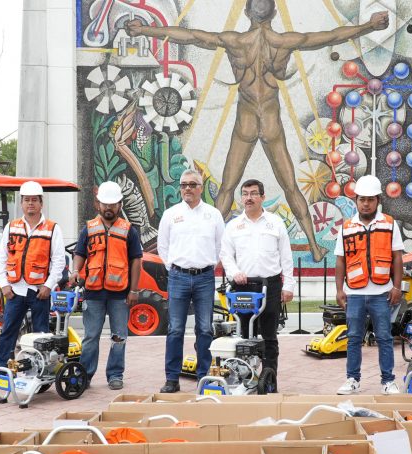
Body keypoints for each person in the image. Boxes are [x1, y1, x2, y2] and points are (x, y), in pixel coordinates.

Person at [127, 1, 388, 262]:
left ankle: (211, 248)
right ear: (275, 13)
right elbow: (329, 37)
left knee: (228, 187)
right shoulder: (284, 41)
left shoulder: (235, 41)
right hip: (271, 120)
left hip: (247, 119)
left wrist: (144, 31)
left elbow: (192, 36)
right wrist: (369, 26)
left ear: (246, 12)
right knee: (290, 186)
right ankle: (315, 247)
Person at [0, 180, 66, 385]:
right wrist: (4, 284)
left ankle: (40, 375)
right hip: (14, 291)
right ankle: (2, 371)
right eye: (27, 200)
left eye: (34, 200)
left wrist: (49, 285)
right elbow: (1, 258)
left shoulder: (52, 229)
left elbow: (58, 261)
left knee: (41, 335)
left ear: (41, 203)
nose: (30, 204)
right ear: (22, 203)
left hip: (39, 292)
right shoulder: (11, 227)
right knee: (8, 333)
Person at [219, 179, 294, 392]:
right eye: (245, 194)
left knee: (269, 336)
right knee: (243, 337)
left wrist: (288, 285)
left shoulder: (275, 223)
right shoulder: (233, 225)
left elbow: (286, 257)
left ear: (262, 197)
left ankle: (270, 380)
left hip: (269, 286)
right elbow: (226, 255)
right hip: (243, 288)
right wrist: (234, 273)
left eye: (253, 193)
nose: (249, 198)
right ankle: (244, 379)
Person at [334, 176, 404, 395]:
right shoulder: (346, 228)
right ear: (356, 200)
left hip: (381, 292)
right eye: (362, 199)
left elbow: (397, 257)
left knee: (384, 337)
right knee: (354, 337)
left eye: (370, 200)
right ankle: (352, 379)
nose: (366, 204)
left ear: (378, 200)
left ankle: (388, 380)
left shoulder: (390, 224)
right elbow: (340, 260)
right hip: (354, 293)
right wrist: (339, 290)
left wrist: (397, 287)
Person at [70, 181, 143, 390]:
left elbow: (136, 260)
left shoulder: (129, 230)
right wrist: (75, 271)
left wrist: (134, 290)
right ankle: (86, 375)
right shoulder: (89, 229)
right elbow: (80, 254)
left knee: (119, 336)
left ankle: (115, 374)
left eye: (112, 204)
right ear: (98, 204)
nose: (108, 208)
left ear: (120, 205)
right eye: (105, 204)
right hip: (93, 292)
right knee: (91, 337)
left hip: (120, 294)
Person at [158, 169, 224, 393]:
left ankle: (204, 377)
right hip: (178, 277)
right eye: (184, 184)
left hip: (205, 277)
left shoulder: (213, 215)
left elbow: (220, 246)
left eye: (192, 184)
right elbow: (163, 246)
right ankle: (172, 378)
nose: (187, 188)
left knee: (205, 329)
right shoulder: (171, 214)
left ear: (201, 188)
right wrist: (173, 267)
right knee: (175, 329)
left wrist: (208, 265)